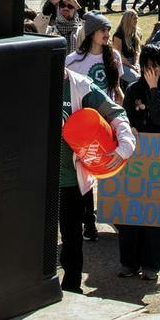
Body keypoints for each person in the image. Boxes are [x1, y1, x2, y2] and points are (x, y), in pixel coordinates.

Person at [59, 58, 134, 293]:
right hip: (37, 175)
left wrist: (124, 146)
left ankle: (72, 285)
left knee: (71, 235)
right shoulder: (31, 84)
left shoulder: (80, 86)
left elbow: (115, 113)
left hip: (70, 177)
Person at [119, 48, 160, 278]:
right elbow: (124, 116)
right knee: (131, 211)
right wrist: (130, 128)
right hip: (136, 157)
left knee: (155, 216)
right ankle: (129, 262)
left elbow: (159, 117)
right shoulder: (133, 89)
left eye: (155, 66)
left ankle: (151, 265)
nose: (150, 71)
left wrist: (155, 88)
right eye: (147, 66)